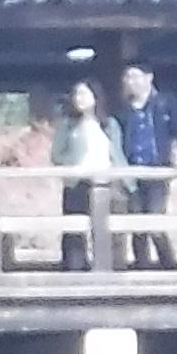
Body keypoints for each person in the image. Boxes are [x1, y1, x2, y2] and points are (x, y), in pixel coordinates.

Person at [112, 58, 177, 266]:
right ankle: (142, 268)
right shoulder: (123, 109)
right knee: (137, 225)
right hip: (131, 172)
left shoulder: (165, 103)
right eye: (128, 77)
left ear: (149, 78)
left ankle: (170, 267)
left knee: (156, 223)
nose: (131, 81)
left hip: (158, 170)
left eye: (136, 76)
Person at [50, 72, 121, 271]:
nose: (79, 99)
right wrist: (74, 166)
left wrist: (126, 181)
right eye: (77, 95)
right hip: (76, 182)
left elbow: (117, 154)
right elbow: (57, 154)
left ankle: (108, 269)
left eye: (84, 94)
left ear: (95, 97)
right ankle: (74, 268)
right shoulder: (67, 124)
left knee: (106, 228)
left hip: (105, 182)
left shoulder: (109, 124)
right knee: (74, 230)